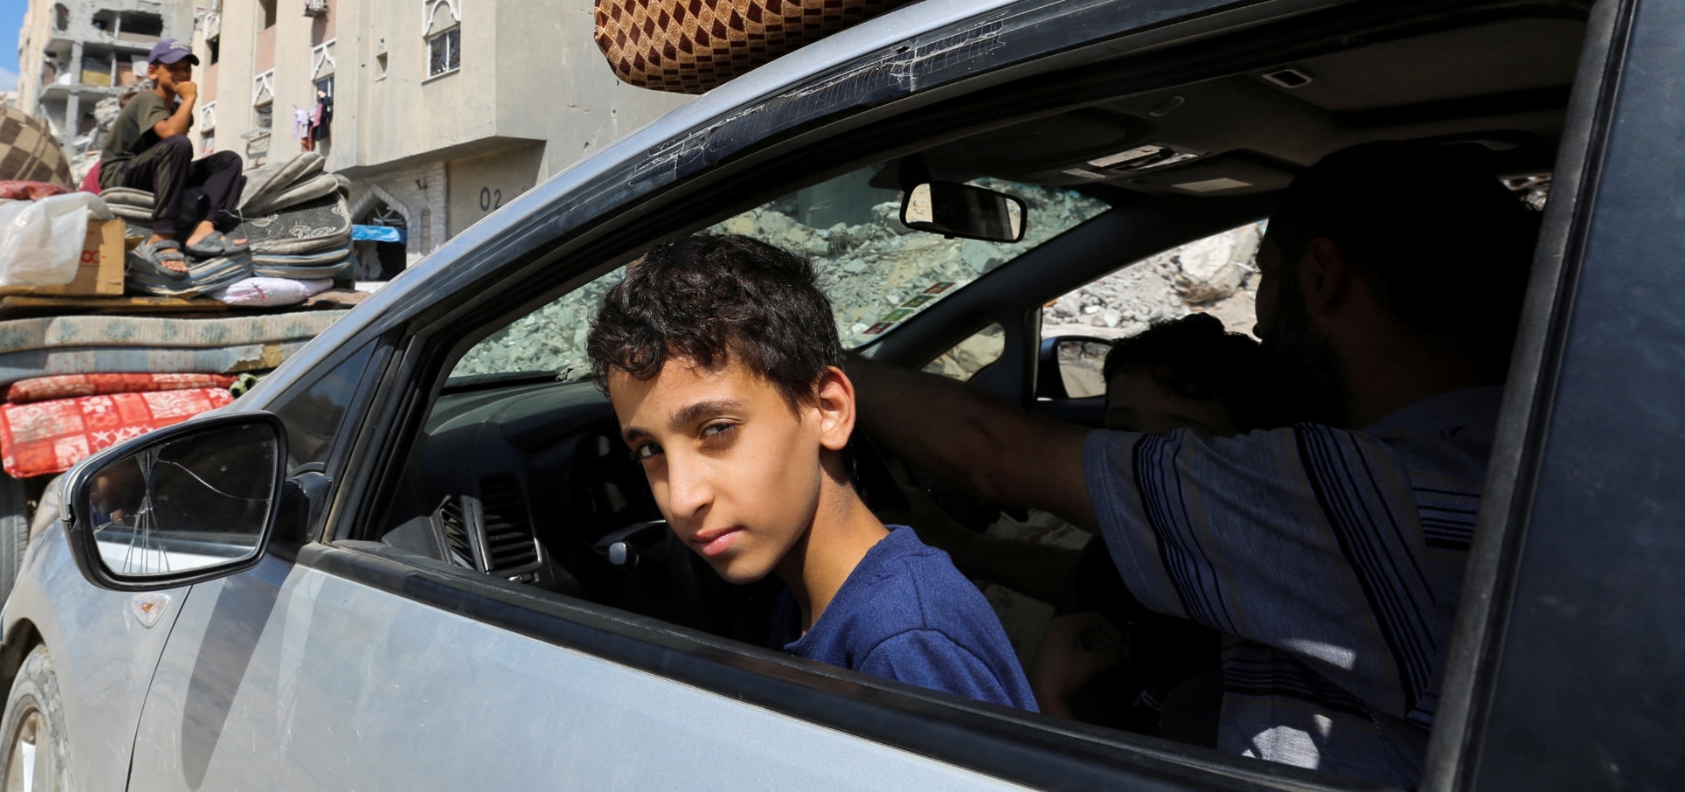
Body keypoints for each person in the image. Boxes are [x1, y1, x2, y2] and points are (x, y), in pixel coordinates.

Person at [849, 142, 1541, 787]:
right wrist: (968, 549)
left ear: (1322, 276)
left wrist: (807, 362)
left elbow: (993, 455)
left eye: (1267, 277)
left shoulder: (1371, 495)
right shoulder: (1510, 471)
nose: (1262, 321)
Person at [586, 234, 1038, 711]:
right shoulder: (807, 599)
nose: (681, 498)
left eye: (717, 429)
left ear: (828, 409)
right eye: (650, 449)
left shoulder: (899, 645)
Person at [1031, 313, 1273, 739]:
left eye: (1177, 444)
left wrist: (1049, 699)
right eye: (1122, 432)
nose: (1139, 462)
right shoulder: (1106, 559)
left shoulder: (1231, 660)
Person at [98, 40, 247, 274]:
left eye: (186, 69)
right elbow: (171, 135)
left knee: (228, 160)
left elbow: (175, 146)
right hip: (121, 174)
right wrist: (190, 99)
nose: (181, 74)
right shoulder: (146, 98)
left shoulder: (179, 111)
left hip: (157, 170)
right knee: (177, 143)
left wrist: (184, 105)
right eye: (173, 68)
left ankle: (204, 229)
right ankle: (162, 234)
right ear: (152, 72)